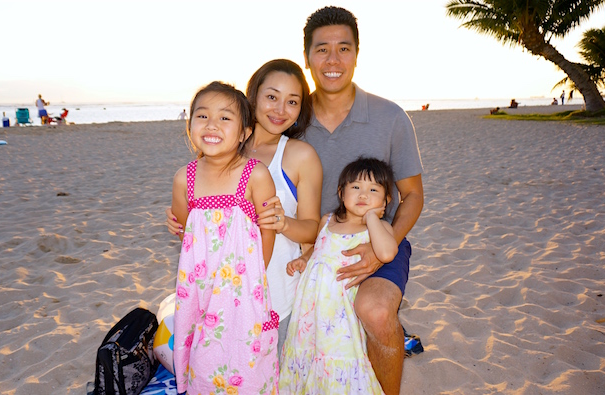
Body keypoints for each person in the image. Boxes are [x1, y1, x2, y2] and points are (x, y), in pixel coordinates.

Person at [297, 7, 424, 394]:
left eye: (343, 48)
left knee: (375, 309)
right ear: (307, 57)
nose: (333, 60)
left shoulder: (390, 117)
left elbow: (413, 195)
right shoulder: (290, 117)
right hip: (312, 241)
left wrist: (380, 248)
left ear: (356, 53)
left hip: (377, 238)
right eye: (322, 50)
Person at [166, 59, 323, 363]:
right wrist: (180, 217)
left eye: (292, 101)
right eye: (272, 96)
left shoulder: (300, 155)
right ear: (253, 96)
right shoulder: (221, 145)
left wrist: (282, 223)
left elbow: (312, 228)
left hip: (273, 288)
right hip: (214, 294)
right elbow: (198, 211)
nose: (280, 109)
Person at [170, 81, 279, 394]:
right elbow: (185, 232)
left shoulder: (255, 174)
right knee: (203, 356)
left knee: (246, 358)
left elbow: (266, 231)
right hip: (199, 289)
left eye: (225, 118)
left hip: (243, 289)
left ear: (244, 132)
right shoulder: (184, 178)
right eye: (202, 116)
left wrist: (254, 280)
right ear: (189, 125)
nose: (212, 125)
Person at [280, 157, 398, 394]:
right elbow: (318, 248)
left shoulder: (377, 229)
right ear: (341, 192)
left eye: (373, 190)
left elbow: (386, 253)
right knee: (308, 348)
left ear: (386, 201)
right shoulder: (328, 220)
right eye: (356, 187)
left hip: (340, 310)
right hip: (312, 308)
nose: (363, 195)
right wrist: (304, 259)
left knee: (339, 353)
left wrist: (373, 218)